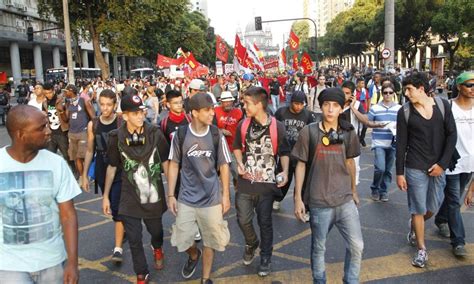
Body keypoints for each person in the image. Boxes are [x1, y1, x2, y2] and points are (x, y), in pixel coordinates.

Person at [0, 105, 80, 284]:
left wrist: (72, 264)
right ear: (21, 134)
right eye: (41, 128)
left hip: (52, 263)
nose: (48, 131)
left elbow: (68, 216)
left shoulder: (57, 164)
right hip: (9, 267)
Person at [292, 87, 363, 284]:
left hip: (345, 200)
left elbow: (350, 163)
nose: (330, 110)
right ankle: (319, 281)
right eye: (326, 105)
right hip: (318, 202)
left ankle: (351, 280)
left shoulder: (349, 132)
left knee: (357, 246)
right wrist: (298, 199)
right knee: (319, 248)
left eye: (335, 106)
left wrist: (354, 190)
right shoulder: (309, 132)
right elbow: (301, 165)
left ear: (342, 108)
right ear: (320, 107)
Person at [104, 94, 170, 283]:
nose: (140, 116)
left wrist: (173, 192)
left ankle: (157, 247)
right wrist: (106, 196)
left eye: (141, 112)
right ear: (124, 116)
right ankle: (141, 274)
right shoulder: (115, 137)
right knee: (133, 238)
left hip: (153, 194)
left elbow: (166, 162)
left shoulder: (155, 133)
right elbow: (112, 166)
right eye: (135, 113)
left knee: (156, 231)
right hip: (129, 195)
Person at [168, 92, 232, 284]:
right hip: (186, 198)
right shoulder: (180, 135)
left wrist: (226, 195)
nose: (212, 113)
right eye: (207, 110)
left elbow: (224, 166)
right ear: (194, 113)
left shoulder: (216, 135)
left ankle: (205, 278)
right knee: (182, 240)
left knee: (212, 240)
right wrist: (171, 194)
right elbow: (173, 164)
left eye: (212, 108)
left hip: (211, 198)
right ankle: (194, 254)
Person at [396, 72, 457, 268]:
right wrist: (399, 173)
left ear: (421, 88)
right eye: (405, 89)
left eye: (409, 89)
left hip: (438, 166)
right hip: (415, 166)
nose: (406, 93)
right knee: (418, 208)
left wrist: (442, 164)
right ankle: (422, 249)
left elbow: (452, 136)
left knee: (432, 207)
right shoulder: (405, 112)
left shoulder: (442, 106)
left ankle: (415, 224)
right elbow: (401, 145)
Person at [233, 86, 291, 277]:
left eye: (247, 103)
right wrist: (239, 163)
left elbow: (283, 152)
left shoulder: (277, 127)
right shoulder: (242, 125)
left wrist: (284, 172)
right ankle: (251, 243)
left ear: (258, 104)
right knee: (243, 219)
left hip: (266, 185)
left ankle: (265, 256)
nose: (244, 106)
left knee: (265, 222)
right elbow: (236, 147)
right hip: (245, 183)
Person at [81, 89, 125, 264]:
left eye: (109, 105)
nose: (105, 108)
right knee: (115, 204)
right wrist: (84, 174)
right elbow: (90, 150)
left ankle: (118, 248)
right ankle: (122, 229)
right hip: (102, 167)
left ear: (115, 105)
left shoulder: (120, 122)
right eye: (102, 104)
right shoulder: (94, 124)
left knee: (116, 205)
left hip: (120, 169)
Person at [434, 71, 473, 257]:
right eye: (469, 85)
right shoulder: (449, 107)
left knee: (452, 200)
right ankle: (458, 241)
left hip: (470, 163)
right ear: (459, 86)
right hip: (451, 161)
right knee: (454, 200)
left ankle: (441, 219)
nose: (473, 89)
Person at [353, 83, 401, 202]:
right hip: (379, 142)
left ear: (393, 94)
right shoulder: (375, 108)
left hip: (393, 143)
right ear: (382, 94)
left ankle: (383, 191)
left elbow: (404, 124)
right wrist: (376, 124)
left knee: (388, 170)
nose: (388, 95)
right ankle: (375, 188)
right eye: (385, 93)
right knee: (380, 168)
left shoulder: (399, 109)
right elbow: (367, 121)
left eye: (390, 92)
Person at [273, 91, 316, 216]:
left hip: (302, 153)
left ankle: (303, 206)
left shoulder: (308, 115)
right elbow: (273, 129)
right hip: (284, 152)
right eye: (296, 104)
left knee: (303, 182)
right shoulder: (281, 112)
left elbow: (313, 134)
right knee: (282, 178)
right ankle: (277, 199)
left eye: (301, 104)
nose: (298, 107)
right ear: (291, 102)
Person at [214, 91, 244, 185]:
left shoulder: (238, 112)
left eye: (230, 101)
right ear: (221, 102)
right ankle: (224, 197)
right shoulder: (215, 111)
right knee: (221, 175)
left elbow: (243, 128)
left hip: (234, 148)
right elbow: (209, 127)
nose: (228, 103)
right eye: (225, 101)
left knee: (237, 173)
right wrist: (220, 131)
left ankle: (239, 191)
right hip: (220, 148)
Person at [42, 83, 71, 164]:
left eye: (50, 92)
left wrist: (61, 111)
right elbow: (44, 117)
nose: (48, 95)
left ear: (53, 91)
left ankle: (74, 171)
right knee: (50, 155)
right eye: (46, 93)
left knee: (67, 155)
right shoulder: (44, 103)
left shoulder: (62, 100)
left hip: (62, 132)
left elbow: (67, 118)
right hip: (51, 132)